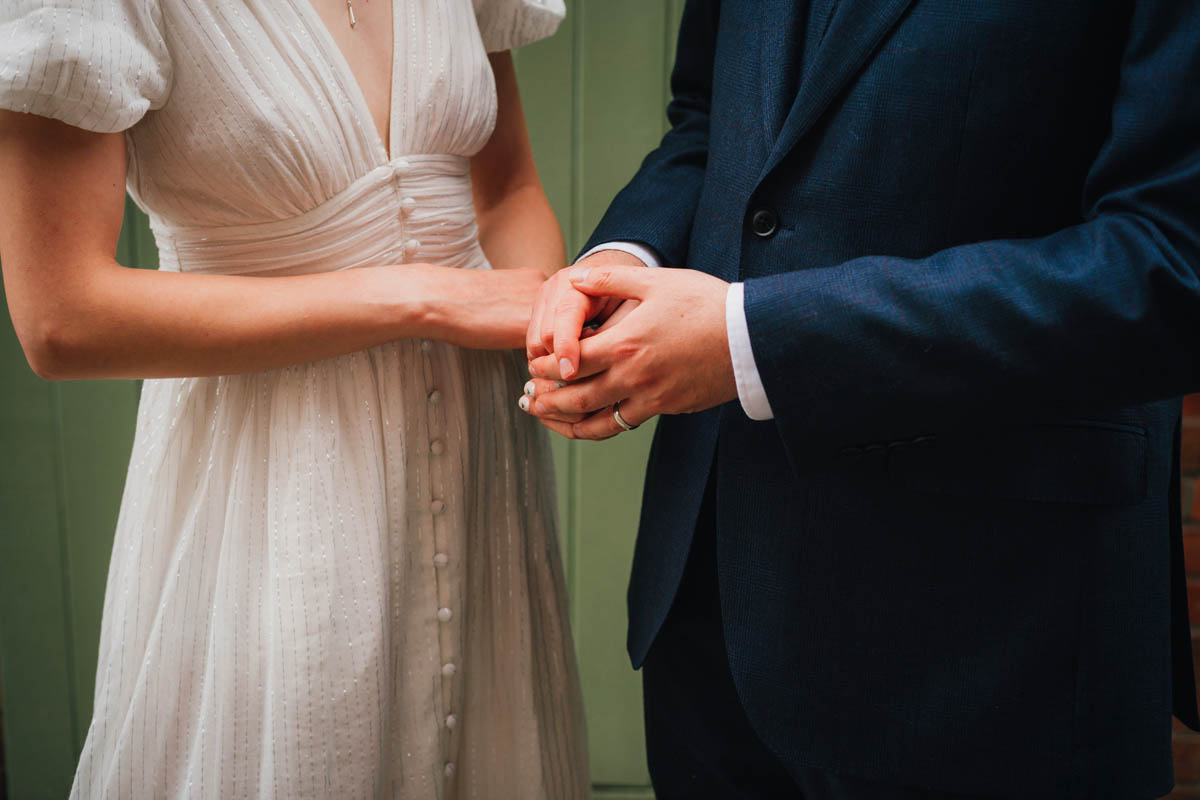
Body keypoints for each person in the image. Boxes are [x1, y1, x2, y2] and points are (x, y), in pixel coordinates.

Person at [524, 0, 1200, 797]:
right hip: (712, 626)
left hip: (997, 648)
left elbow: (1167, 263)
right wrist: (616, 261)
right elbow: (710, 120)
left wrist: (756, 339)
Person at [0, 0, 588, 797]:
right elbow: (62, 316)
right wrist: (420, 297)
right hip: (274, 486)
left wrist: (553, 330)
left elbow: (507, 185)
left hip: (485, 457)